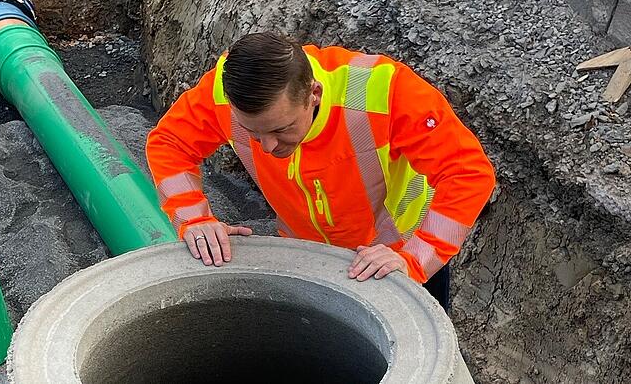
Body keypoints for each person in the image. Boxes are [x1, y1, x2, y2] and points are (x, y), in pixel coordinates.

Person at [145, 32, 495, 309]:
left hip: (396, 255)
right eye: (253, 132)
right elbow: (170, 143)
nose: (267, 147)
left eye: (281, 129)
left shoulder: (385, 92)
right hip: (307, 256)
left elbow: (467, 172)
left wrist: (415, 260)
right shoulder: (223, 92)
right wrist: (194, 218)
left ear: (313, 93)